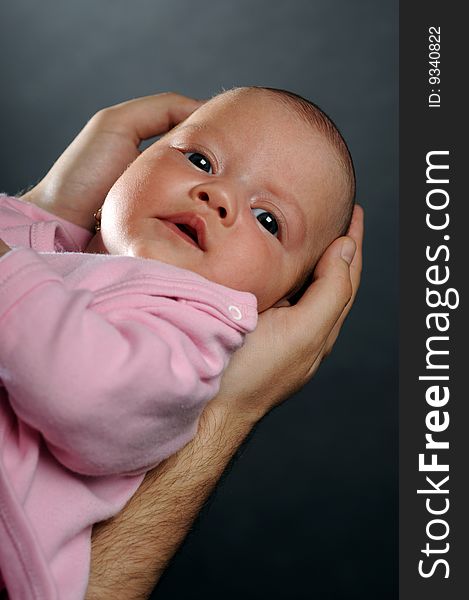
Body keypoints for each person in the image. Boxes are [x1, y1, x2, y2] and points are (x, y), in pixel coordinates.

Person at [0, 91, 363, 599]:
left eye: (268, 220)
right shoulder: (51, 256)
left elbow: (83, 392)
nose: (219, 196)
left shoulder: (189, 335)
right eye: (200, 160)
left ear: (275, 305)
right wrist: (49, 208)